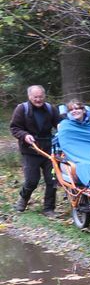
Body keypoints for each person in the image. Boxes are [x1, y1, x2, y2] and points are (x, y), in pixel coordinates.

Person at [9, 85, 62, 217]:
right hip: (30, 150)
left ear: (44, 96)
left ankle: (49, 209)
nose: (38, 99)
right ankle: (23, 200)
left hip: (49, 150)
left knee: (52, 180)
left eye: (41, 97)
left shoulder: (51, 109)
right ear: (29, 97)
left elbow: (60, 124)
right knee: (32, 180)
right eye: (35, 97)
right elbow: (15, 128)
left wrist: (62, 128)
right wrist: (24, 135)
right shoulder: (22, 109)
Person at [56, 99, 90, 190]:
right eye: (71, 110)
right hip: (76, 156)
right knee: (86, 163)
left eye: (77, 108)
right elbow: (66, 144)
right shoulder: (65, 125)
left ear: (84, 110)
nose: (74, 111)